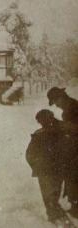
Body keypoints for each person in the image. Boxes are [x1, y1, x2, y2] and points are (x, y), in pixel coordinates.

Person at [26, 109, 67, 225]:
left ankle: (53, 212)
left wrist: (36, 166)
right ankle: (53, 213)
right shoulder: (57, 132)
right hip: (51, 169)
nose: (44, 122)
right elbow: (30, 154)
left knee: (49, 193)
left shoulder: (43, 134)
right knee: (53, 192)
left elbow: (29, 154)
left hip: (49, 169)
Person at [48, 87, 78, 219]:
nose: (56, 105)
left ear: (61, 97)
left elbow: (74, 128)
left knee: (73, 175)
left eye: (55, 102)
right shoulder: (71, 106)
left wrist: (58, 125)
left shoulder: (72, 108)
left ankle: (76, 206)